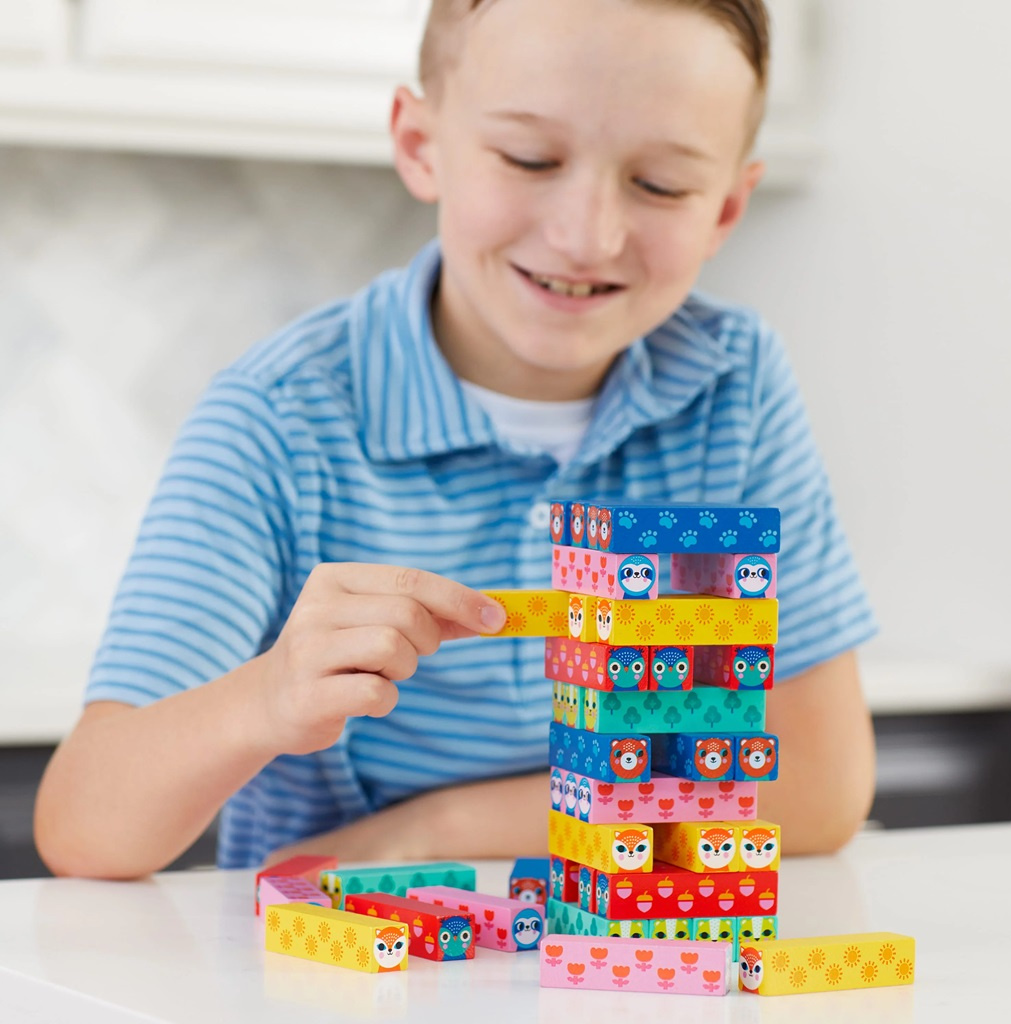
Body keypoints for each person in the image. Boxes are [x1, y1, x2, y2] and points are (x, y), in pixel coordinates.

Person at [34, 0, 877, 880]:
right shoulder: (280, 418)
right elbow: (85, 829)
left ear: (727, 209)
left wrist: (435, 830)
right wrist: (266, 699)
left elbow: (820, 786)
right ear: (419, 145)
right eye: (530, 158)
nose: (586, 236)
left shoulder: (733, 386)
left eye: (660, 184)